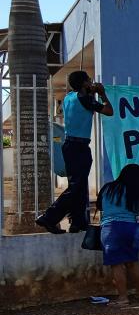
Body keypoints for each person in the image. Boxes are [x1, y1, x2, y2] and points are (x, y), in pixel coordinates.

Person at [37, 70, 112, 233]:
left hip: (69, 145)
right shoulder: (84, 99)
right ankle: (49, 217)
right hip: (79, 147)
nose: (91, 82)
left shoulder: (69, 97)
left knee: (79, 185)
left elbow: (84, 100)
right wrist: (103, 94)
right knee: (76, 187)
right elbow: (108, 111)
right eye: (89, 80)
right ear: (84, 83)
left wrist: (91, 91)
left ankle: (78, 222)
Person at [96, 164, 139, 306]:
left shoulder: (108, 188)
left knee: (116, 264)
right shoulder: (137, 190)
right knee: (133, 261)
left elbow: (100, 206)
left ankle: (123, 298)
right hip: (132, 228)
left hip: (111, 227)